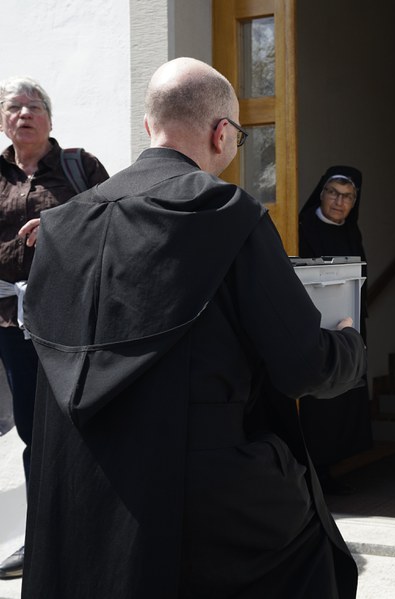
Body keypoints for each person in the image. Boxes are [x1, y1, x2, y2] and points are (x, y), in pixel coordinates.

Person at [20, 57, 366, 599]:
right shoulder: (226, 211)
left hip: (76, 483)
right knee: (312, 547)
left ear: (147, 128)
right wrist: (348, 342)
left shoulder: (61, 225)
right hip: (197, 482)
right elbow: (303, 364)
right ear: (222, 133)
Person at [0, 76, 109, 580]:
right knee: (31, 428)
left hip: (71, 319)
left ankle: (97, 532)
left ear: (51, 117)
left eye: (34, 105)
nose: (24, 113)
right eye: (13, 107)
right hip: (9, 322)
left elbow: (119, 217)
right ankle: (41, 537)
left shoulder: (79, 167)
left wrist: (61, 224)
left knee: (83, 422)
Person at [297, 166, 371, 494]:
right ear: (321, 193)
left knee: (343, 398)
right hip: (314, 330)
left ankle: (330, 467)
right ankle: (313, 473)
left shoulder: (352, 233)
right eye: (333, 193)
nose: (339, 202)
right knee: (317, 401)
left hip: (349, 327)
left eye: (347, 197)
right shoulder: (302, 227)